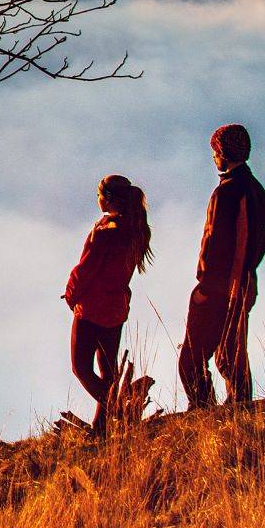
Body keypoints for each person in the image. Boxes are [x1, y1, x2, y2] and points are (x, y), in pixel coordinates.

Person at [181, 123, 265, 407]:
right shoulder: (256, 189)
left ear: (222, 152)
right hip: (245, 283)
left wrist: (206, 285)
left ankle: (204, 413)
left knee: (192, 359)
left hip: (222, 288)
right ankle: (237, 409)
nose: (213, 157)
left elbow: (216, 243)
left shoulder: (228, 191)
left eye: (215, 152)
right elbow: (262, 242)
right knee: (229, 354)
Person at [64, 174, 152, 430]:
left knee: (81, 368)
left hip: (91, 308)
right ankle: (101, 427)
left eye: (99, 195)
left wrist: (71, 295)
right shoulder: (136, 229)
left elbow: (85, 270)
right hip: (116, 308)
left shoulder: (106, 233)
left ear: (108, 199)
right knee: (108, 371)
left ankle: (120, 410)